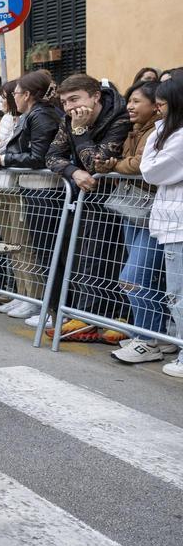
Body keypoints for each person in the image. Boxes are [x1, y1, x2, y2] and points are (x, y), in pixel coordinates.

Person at [43, 74, 132, 341]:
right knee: (85, 257)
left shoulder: (120, 117)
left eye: (74, 99)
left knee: (116, 259)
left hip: (123, 201)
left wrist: (80, 132)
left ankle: (117, 318)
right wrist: (73, 172)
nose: (69, 108)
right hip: (87, 197)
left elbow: (97, 162)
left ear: (95, 96)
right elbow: (52, 155)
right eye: (65, 102)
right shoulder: (68, 118)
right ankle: (86, 317)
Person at [0, 70, 65, 323]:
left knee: (46, 252)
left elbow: (38, 156)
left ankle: (52, 310)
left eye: (14, 93)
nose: (12, 97)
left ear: (26, 94)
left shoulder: (42, 115)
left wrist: (2, 159)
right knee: (37, 249)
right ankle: (43, 304)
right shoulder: (33, 115)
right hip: (33, 189)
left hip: (45, 191)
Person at [102, 81, 172, 361]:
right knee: (144, 279)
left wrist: (116, 165)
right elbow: (121, 158)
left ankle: (147, 341)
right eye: (128, 100)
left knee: (134, 278)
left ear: (156, 105)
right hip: (133, 210)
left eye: (136, 101)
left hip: (152, 211)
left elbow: (141, 166)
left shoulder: (160, 130)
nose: (129, 106)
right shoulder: (133, 129)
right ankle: (152, 336)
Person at [141, 74, 183, 376]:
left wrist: (158, 132)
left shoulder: (177, 137)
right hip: (173, 221)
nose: (158, 111)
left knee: (178, 293)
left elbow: (151, 171)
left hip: (178, 224)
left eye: (162, 105)